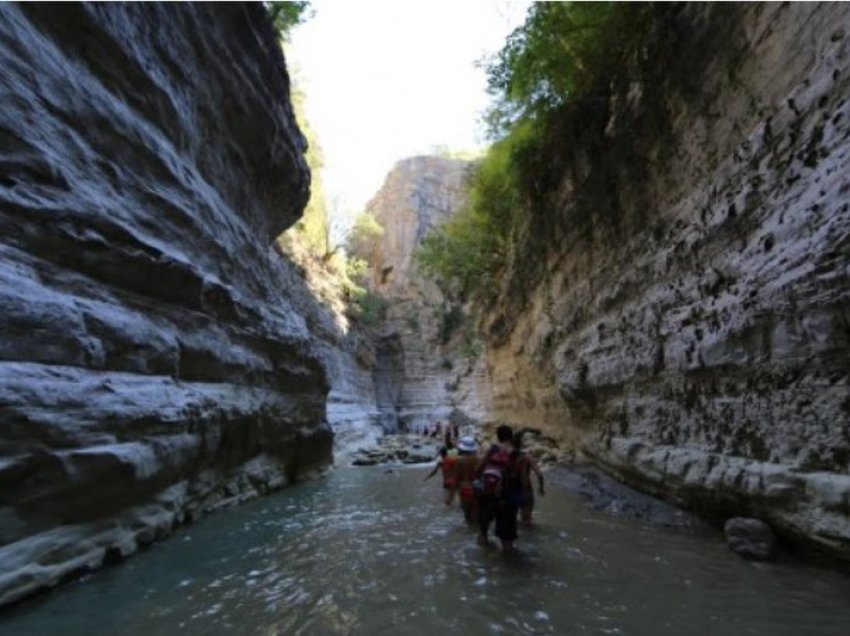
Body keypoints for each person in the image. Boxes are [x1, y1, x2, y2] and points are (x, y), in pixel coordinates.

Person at [475, 424, 521, 554]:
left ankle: (484, 562)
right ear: (511, 437)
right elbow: (519, 478)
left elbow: (477, 470)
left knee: (482, 530)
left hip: (487, 493)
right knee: (507, 538)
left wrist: (479, 486)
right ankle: (508, 567)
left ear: (498, 437)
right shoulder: (517, 454)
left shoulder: (493, 450)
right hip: (506, 498)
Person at [512, 431, 545, 527]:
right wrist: (541, 488)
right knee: (527, 523)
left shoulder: (508, 457)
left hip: (512, 491)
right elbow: (539, 474)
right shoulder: (527, 457)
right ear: (521, 443)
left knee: (511, 522)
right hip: (526, 491)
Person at [450, 436, 479, 526]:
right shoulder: (479, 460)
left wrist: (450, 497)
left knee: (467, 517)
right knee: (476, 518)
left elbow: (455, 480)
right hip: (476, 488)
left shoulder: (459, 461)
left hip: (464, 489)